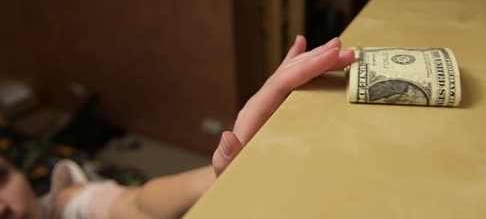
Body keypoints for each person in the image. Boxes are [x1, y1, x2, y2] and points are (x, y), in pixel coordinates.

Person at [0, 36, 355, 219]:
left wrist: (230, 172)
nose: (4, 206)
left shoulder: (63, 204)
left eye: (0, 179)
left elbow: (138, 203)